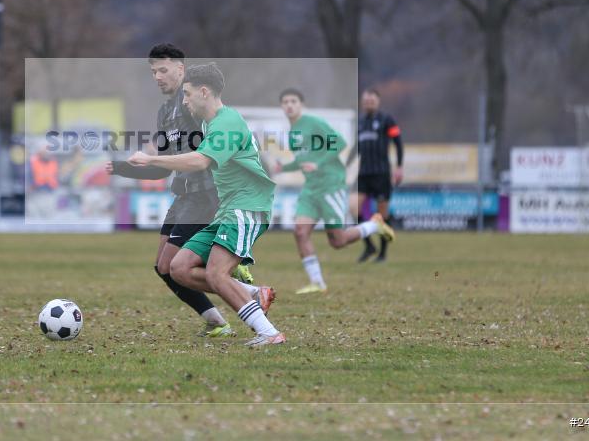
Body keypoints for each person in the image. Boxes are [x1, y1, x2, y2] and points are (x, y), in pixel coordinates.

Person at [128, 62, 283, 347]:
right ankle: (251, 292)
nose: (184, 101)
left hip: (247, 206)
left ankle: (269, 332)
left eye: (187, 94)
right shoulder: (206, 124)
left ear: (203, 92)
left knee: (215, 272)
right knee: (178, 268)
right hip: (227, 210)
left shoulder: (227, 121)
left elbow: (200, 161)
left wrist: (151, 159)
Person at [107, 45, 245, 338]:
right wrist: (121, 168)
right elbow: (162, 167)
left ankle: (246, 289)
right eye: (153, 72)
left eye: (163, 70)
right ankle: (217, 320)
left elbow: (219, 141)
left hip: (206, 195)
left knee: (175, 266)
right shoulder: (164, 112)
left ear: (181, 69)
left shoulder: (195, 103)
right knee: (163, 268)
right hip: (184, 196)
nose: (157, 77)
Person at [275, 89, 395, 294]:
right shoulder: (293, 132)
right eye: (285, 102)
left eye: (293, 101)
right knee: (300, 232)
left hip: (330, 184)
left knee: (338, 241)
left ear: (301, 104)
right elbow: (303, 161)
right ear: (281, 106)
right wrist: (284, 168)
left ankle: (375, 225)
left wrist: (319, 163)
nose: (289, 105)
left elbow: (339, 143)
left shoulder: (313, 123)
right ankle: (317, 283)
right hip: (311, 189)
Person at [351, 88, 404, 263]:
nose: (369, 103)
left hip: (381, 173)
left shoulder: (386, 120)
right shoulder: (360, 122)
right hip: (364, 173)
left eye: (372, 100)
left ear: (378, 102)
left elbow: (398, 142)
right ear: (362, 103)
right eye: (366, 101)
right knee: (354, 209)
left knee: (381, 215)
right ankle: (369, 246)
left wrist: (399, 166)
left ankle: (382, 254)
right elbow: (356, 148)